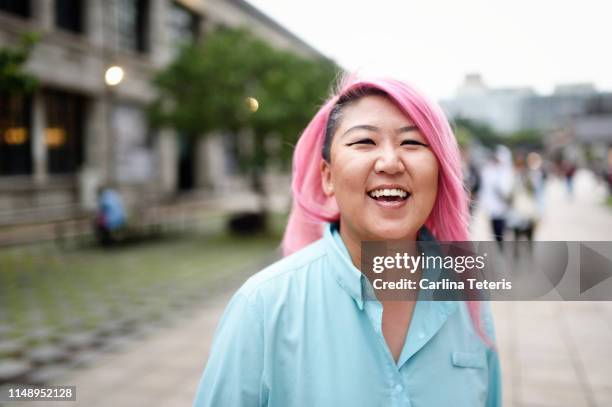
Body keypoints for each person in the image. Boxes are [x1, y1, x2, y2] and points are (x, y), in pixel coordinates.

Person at [193, 75, 501, 406]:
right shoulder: (263, 307)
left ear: (440, 172)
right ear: (327, 177)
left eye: (412, 143)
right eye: (364, 142)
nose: (390, 162)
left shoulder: (468, 298)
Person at [479, 145, 514, 249]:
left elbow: (508, 190)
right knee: (495, 232)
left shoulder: (508, 172)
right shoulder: (489, 170)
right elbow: (485, 189)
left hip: (505, 208)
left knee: (503, 232)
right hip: (492, 208)